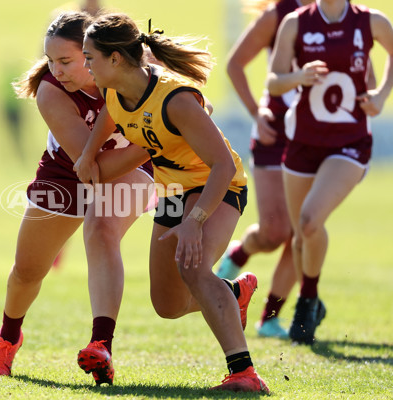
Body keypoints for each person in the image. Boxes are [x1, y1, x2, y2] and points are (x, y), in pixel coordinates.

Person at [75, 13, 270, 393]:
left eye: (89, 57)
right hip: (172, 192)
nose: (85, 66)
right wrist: (88, 153)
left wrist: (195, 220)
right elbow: (109, 116)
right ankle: (232, 293)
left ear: (115, 59)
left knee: (192, 268)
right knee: (167, 304)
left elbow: (223, 164)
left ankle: (244, 372)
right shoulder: (114, 90)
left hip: (216, 186)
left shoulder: (175, 99)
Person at [0, 11, 155, 386]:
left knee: (103, 229)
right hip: (68, 171)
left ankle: (101, 345)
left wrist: (156, 142)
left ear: (96, 55)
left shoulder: (137, 73)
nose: (56, 70)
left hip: (131, 165)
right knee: (27, 271)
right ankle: (8, 339)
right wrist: (151, 142)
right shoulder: (51, 91)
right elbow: (91, 168)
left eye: (65, 61)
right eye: (49, 60)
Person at [267, 0, 393, 344]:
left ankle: (307, 301)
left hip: (349, 142)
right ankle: (311, 300)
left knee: (310, 220)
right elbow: (274, 82)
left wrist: (382, 95)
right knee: (298, 238)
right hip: (303, 143)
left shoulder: (371, 21)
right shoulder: (295, 23)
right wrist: (299, 76)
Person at [218, 0, 314, 339]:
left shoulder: (346, 17)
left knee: (304, 229)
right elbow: (235, 64)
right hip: (276, 134)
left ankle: (270, 318)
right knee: (276, 231)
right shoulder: (281, 12)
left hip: (318, 138)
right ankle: (239, 251)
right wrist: (257, 113)